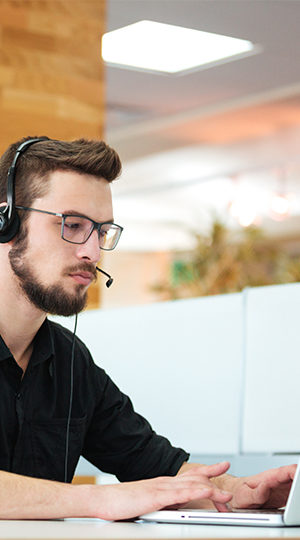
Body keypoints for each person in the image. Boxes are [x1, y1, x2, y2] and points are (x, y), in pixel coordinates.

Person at [0, 136, 295, 520]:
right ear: (6, 221)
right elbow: (121, 495)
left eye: (101, 231)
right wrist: (103, 500)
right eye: (72, 225)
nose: (92, 252)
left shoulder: (69, 360)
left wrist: (237, 492)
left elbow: (156, 465)